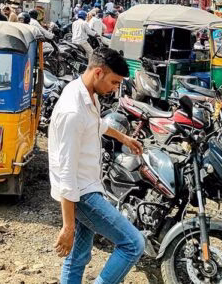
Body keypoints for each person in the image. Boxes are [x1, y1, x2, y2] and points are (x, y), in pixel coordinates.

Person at [48, 48, 144, 283]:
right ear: (98, 72)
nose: (115, 88)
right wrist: (68, 226)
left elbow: (95, 124)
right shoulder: (73, 110)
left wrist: (124, 138)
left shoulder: (86, 94)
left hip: (88, 186)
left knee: (78, 255)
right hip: (81, 194)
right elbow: (67, 172)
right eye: (113, 82)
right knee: (133, 244)